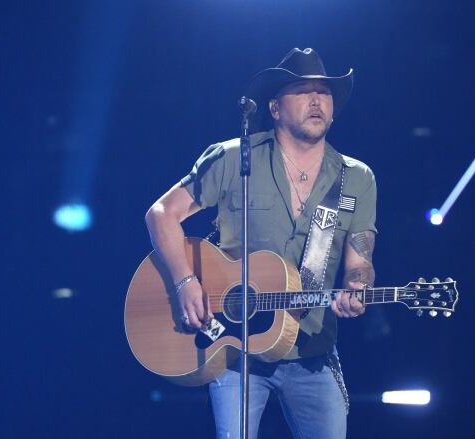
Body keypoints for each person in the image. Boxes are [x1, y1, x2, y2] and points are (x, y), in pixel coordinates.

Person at [144, 48, 377, 439]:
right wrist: (185, 282)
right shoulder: (235, 159)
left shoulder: (355, 179)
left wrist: (359, 286)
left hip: (312, 351)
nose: (317, 100)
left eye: (324, 92)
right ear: (274, 106)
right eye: (303, 91)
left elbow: (360, 260)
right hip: (234, 349)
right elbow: (161, 214)